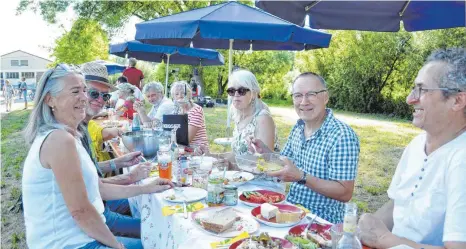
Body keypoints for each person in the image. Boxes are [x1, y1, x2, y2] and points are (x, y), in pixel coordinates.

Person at [22, 64, 173, 249]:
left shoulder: (66, 134)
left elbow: (96, 187)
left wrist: (145, 188)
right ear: (49, 99)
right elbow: (81, 211)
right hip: (68, 243)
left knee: (156, 233)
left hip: (80, 232)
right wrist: (116, 245)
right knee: (157, 238)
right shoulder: (59, 140)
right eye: (76, 91)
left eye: (85, 91)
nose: (84, 98)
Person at [358, 48, 466, 248]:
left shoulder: (461, 158)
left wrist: (385, 240)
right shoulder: (417, 144)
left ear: (457, 100)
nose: (410, 99)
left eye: (422, 90)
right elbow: (397, 205)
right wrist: (361, 232)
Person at [249, 72, 360, 224]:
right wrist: (265, 152)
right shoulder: (298, 127)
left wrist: (301, 177)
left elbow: (345, 192)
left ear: (325, 97)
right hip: (290, 212)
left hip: (320, 222)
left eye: (311, 94)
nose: (304, 101)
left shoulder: (342, 136)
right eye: (298, 95)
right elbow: (284, 163)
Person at [80, 61, 158, 239]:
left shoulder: (82, 127)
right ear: (79, 93)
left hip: (99, 206)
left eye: (105, 96)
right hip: (95, 215)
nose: (100, 100)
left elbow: (91, 174)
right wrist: (136, 181)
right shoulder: (66, 135)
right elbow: (95, 191)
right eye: (94, 93)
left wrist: (119, 162)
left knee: (154, 216)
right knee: (154, 231)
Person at [228, 69, 279, 155]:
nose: (236, 95)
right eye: (232, 91)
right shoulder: (239, 117)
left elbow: (266, 161)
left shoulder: (263, 119)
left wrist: (232, 165)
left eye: (241, 91)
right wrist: (213, 156)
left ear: (254, 94)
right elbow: (236, 154)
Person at [171, 81, 209, 147]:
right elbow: (170, 132)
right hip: (182, 149)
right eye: (176, 94)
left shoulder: (196, 110)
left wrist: (171, 138)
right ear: (173, 98)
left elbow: (185, 140)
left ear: (189, 94)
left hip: (198, 151)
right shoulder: (177, 111)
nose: (180, 96)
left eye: (183, 93)